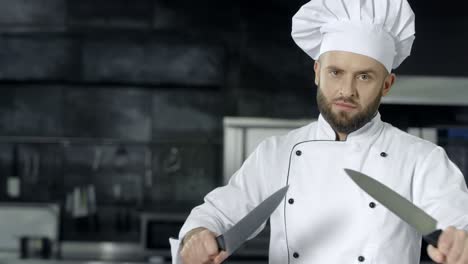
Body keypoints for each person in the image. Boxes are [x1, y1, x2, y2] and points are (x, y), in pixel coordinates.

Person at [169, 0, 468, 263]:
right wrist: (198, 236)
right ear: (317, 72)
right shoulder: (277, 153)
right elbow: (219, 214)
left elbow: (457, 221)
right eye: (335, 72)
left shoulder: (422, 159)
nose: (346, 91)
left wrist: (460, 243)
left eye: (364, 77)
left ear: (386, 85)